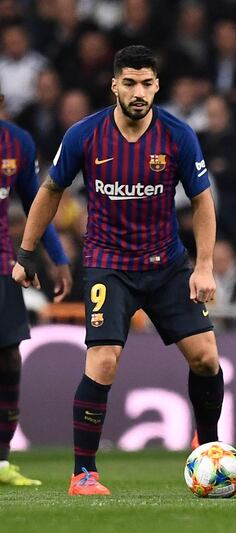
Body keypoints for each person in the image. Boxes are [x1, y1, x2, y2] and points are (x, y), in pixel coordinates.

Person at [12, 46, 223, 496]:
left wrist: (203, 266)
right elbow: (50, 191)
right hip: (109, 266)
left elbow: (203, 201)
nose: (139, 92)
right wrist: (28, 253)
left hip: (167, 265)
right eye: (129, 82)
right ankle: (83, 473)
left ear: (157, 86)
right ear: (114, 85)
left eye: (147, 83)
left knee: (206, 359)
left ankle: (208, 446)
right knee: (104, 362)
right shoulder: (85, 135)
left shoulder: (178, 135)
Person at [0, 89, 72, 486]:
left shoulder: (17, 143)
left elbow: (35, 201)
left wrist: (56, 257)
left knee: (9, 357)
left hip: (1, 263)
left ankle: (1, 462)